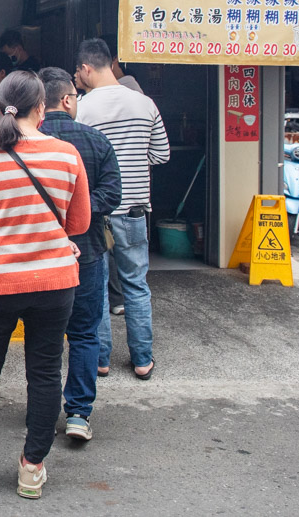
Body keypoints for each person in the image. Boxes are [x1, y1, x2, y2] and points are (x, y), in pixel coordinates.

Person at [0, 71, 90, 500]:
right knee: (45, 372)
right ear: (42, 107)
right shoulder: (68, 155)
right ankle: (32, 468)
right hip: (55, 281)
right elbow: (79, 224)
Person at [74, 38, 169, 381]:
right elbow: (162, 154)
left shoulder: (83, 108)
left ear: (86, 68)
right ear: (112, 63)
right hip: (134, 210)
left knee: (97, 286)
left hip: (97, 210)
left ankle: (100, 360)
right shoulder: (145, 104)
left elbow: (79, 157)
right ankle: (142, 359)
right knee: (136, 285)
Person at [36, 67, 122, 443]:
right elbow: (113, 194)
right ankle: (78, 414)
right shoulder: (95, 141)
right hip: (85, 250)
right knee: (84, 332)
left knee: (42, 334)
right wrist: (78, 215)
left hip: (35, 252)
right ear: (68, 100)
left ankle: (40, 409)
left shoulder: (25, 140)